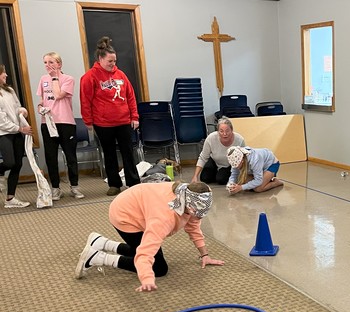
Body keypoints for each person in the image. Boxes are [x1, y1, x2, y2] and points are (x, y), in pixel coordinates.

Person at [75, 181, 224, 292]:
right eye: (195, 213)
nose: (198, 218)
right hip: (125, 215)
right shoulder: (164, 218)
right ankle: (96, 257)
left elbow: (193, 225)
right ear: (186, 204)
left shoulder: (192, 196)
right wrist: (147, 277)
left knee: (141, 251)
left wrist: (204, 254)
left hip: (136, 203)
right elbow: (145, 252)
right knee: (159, 268)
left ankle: (102, 243)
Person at [80, 36, 140, 196]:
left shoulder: (120, 74)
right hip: (103, 123)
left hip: (123, 121)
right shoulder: (89, 77)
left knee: (128, 152)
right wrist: (88, 122)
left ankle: (133, 182)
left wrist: (134, 116)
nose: (113, 64)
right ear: (100, 59)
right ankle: (114, 184)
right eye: (110, 61)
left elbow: (130, 96)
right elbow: (85, 100)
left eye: (114, 61)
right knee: (109, 153)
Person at [37, 51, 84, 201]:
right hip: (48, 123)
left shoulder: (68, 79)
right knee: (51, 157)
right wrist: (40, 108)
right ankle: (56, 188)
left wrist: (55, 78)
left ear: (59, 64)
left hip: (65, 122)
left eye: (51, 62)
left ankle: (74, 187)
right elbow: (43, 100)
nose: (48, 66)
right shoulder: (43, 79)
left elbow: (58, 95)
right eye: (45, 62)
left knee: (70, 156)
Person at [0, 64, 32, 208]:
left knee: (18, 164)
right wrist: (19, 128)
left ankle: (10, 199)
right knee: (9, 162)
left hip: (17, 132)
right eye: (3, 73)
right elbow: (1, 122)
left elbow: (17, 106)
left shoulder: (10, 90)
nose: (6, 75)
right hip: (4, 133)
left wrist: (22, 111)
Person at [191, 116, 244, 184]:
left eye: (227, 131)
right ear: (218, 131)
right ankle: (217, 173)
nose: (225, 134)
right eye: (221, 131)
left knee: (221, 179)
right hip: (214, 161)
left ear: (232, 130)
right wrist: (195, 176)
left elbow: (244, 159)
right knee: (204, 178)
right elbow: (203, 157)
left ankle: (220, 174)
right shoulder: (211, 138)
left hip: (230, 165)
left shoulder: (239, 140)